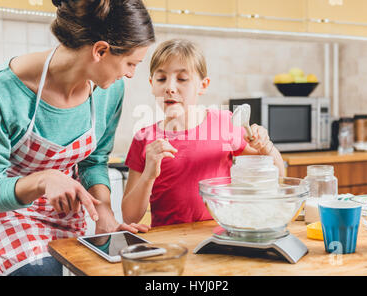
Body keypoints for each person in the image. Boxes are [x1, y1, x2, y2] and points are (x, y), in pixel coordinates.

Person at [0, 0, 154, 276]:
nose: (131, 74)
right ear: (100, 51)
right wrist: (44, 180)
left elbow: (94, 160)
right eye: (131, 63)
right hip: (6, 216)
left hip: (65, 214)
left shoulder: (108, 90)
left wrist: (104, 209)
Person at [122, 38, 285, 228]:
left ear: (203, 85)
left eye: (182, 79)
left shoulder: (225, 123)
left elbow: (278, 176)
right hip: (170, 242)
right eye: (161, 79)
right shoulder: (145, 138)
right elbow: (129, 217)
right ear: (152, 84)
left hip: (220, 235)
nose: (170, 88)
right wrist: (148, 175)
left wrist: (266, 146)